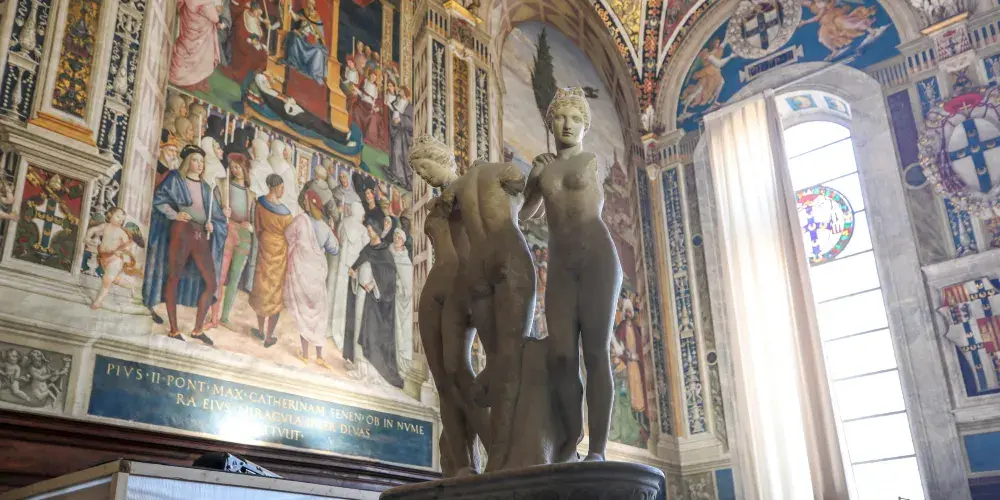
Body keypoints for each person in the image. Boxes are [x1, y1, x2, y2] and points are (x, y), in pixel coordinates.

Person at [409, 134, 536, 471]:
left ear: (441, 158)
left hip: (464, 284)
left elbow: (517, 208)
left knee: (461, 371)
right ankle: (464, 465)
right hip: (436, 288)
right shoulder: (440, 202)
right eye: (418, 172)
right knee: (444, 381)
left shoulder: (469, 189)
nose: (423, 176)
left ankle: (496, 451)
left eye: (425, 167)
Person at [520, 87, 623, 463]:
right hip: (561, 265)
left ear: (585, 126)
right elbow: (524, 215)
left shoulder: (590, 160)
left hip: (597, 258)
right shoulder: (545, 168)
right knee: (562, 356)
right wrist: (533, 179)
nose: (567, 124)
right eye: (561, 117)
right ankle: (570, 439)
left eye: (576, 118)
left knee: (595, 353)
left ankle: (597, 449)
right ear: (550, 124)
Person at [142, 145, 228, 345]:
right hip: (181, 231)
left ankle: (197, 330)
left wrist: (213, 225)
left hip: (200, 234)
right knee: (173, 277)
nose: (199, 164)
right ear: (188, 161)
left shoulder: (206, 188)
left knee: (211, 283)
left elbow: (216, 217)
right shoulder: (176, 179)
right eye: (195, 160)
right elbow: (158, 200)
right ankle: (174, 329)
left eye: (202, 161)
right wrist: (175, 214)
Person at [344, 223, 403, 388]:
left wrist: (374, 285)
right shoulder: (367, 250)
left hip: (374, 301)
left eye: (371, 228)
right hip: (361, 294)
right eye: (368, 228)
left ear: (378, 230)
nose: (369, 231)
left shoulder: (385, 253)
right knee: (358, 327)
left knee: (369, 332)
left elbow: (389, 279)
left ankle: (368, 371)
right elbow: (358, 268)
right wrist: (354, 275)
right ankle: (359, 367)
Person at [285, 189, 340, 366]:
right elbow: (335, 249)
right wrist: (332, 231)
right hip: (317, 274)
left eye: (307, 200)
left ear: (309, 203)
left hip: (302, 272)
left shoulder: (300, 220)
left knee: (305, 313)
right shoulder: (324, 227)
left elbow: (287, 235)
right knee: (318, 314)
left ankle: (305, 354)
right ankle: (319, 356)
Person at [213, 154, 257, 328]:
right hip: (227, 230)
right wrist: (222, 212)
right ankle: (214, 316)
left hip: (244, 235)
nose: (234, 169)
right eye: (232, 166)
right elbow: (212, 208)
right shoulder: (223, 186)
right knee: (221, 274)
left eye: (238, 166)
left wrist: (252, 228)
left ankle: (225, 317)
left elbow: (254, 219)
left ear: (245, 169)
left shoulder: (251, 195)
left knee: (235, 278)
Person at [250, 174, 293, 348]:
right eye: (282, 187)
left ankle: (261, 331)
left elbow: (258, 227)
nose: (283, 190)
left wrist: (264, 239)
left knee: (262, 288)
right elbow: (290, 235)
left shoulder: (260, 203)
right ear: (275, 187)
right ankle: (268, 337)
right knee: (275, 294)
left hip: (264, 246)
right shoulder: (286, 214)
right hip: (279, 252)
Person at [86, 207, 144, 310]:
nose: (120, 220)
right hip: (104, 258)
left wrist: (120, 251)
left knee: (107, 280)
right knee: (115, 279)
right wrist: (87, 237)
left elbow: (128, 247)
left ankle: (98, 301)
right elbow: (92, 229)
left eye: (122, 220)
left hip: (115, 259)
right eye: (118, 217)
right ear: (110, 215)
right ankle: (130, 286)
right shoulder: (105, 226)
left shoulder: (121, 232)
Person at [169, 0, 223, 91]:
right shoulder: (205, 3)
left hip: (188, 27)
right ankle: (189, 81)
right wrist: (218, 11)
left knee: (184, 48)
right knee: (199, 56)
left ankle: (178, 74)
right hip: (200, 35)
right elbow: (215, 18)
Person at [283, 0, 328, 84]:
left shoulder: (317, 19)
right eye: (308, 3)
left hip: (310, 41)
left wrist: (315, 37)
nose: (309, 5)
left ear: (314, 6)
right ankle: (293, 62)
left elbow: (320, 36)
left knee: (318, 52)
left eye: (311, 4)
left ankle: (314, 72)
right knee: (294, 38)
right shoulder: (304, 12)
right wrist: (290, 11)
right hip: (301, 36)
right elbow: (296, 17)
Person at [391, 228, 414, 373]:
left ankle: (404, 363)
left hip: (405, 303)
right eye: (395, 236)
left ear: (403, 241)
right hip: (392, 299)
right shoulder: (389, 254)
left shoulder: (406, 260)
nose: (396, 239)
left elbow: (409, 282)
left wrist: (400, 286)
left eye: (399, 237)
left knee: (405, 332)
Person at [386, 85, 414, 190]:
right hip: (397, 131)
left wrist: (401, 120)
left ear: (405, 93)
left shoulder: (410, 107)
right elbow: (394, 112)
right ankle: (395, 173)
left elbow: (412, 123)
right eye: (400, 91)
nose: (400, 92)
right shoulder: (398, 102)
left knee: (398, 153)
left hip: (404, 135)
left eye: (401, 91)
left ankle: (401, 177)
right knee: (394, 152)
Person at [268, 140, 299, 213]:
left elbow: (294, 186)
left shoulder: (290, 168)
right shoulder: (283, 165)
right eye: (284, 150)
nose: (284, 153)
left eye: (286, 150)